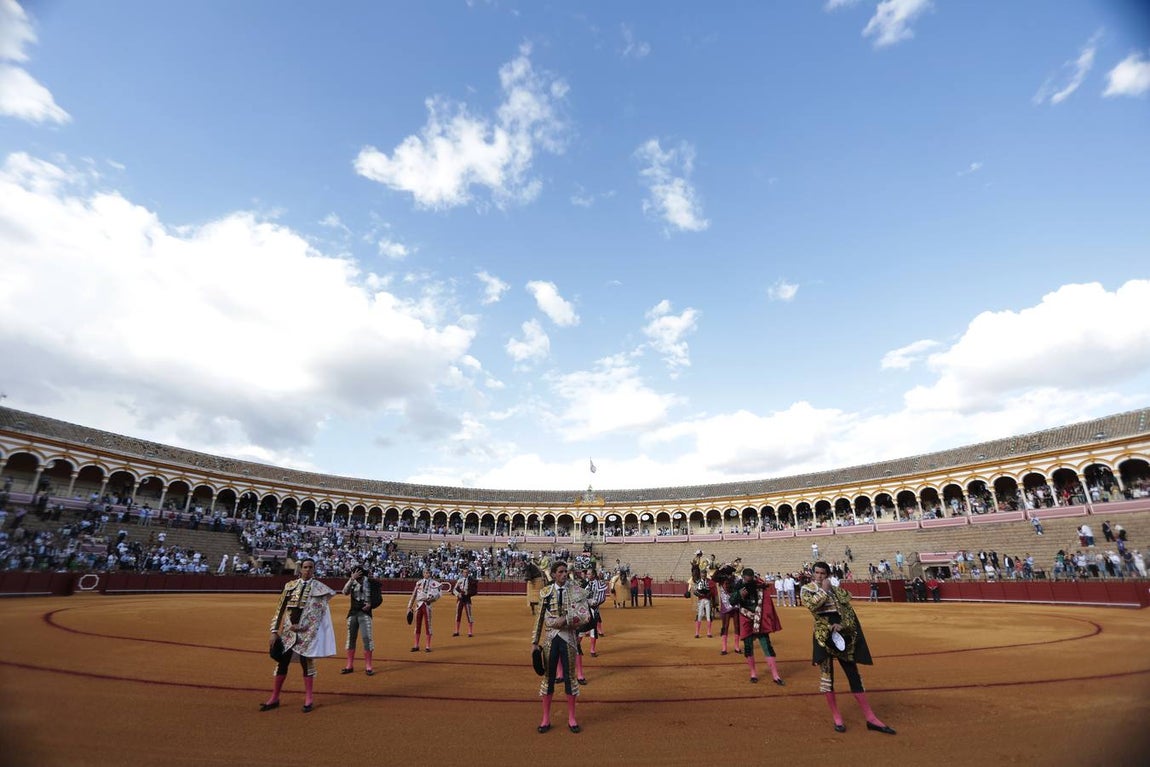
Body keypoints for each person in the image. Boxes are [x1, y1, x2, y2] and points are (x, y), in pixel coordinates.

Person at [800, 561, 895, 735]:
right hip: (823, 636)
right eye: (817, 573)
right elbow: (811, 605)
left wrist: (843, 626)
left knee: (853, 674)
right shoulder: (807, 589)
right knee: (827, 677)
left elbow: (849, 613)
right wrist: (825, 590)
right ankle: (837, 717)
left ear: (827, 574)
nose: (819, 576)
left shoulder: (837, 592)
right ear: (813, 574)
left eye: (823, 573)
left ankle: (870, 718)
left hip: (841, 635)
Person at [260, 558, 337, 713]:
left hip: (307, 633)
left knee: (306, 663)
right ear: (300, 569)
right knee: (282, 662)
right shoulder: (290, 586)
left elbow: (319, 614)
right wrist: (274, 631)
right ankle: (274, 698)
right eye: (305, 567)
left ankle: (309, 698)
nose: (307, 570)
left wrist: (304, 627)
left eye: (310, 567)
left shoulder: (320, 589)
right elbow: (280, 609)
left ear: (314, 569)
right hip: (288, 631)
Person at [531, 561, 591, 734]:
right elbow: (539, 619)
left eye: (566, 571)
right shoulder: (546, 592)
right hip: (551, 639)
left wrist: (565, 619)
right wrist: (534, 643)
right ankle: (545, 718)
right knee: (548, 678)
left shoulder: (576, 590)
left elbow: (585, 616)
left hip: (569, 638)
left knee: (570, 678)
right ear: (554, 574)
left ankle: (572, 718)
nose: (565, 574)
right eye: (561, 572)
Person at [732, 567, 784, 685]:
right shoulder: (739, 586)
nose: (749, 581)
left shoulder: (758, 585)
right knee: (748, 646)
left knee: (766, 644)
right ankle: (753, 673)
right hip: (746, 617)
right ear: (743, 578)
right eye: (747, 580)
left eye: (751, 579)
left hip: (758, 617)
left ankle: (775, 675)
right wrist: (739, 595)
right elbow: (732, 601)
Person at [341, 564, 382, 675]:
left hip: (365, 614)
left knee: (366, 638)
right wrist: (351, 579)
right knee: (350, 639)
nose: (356, 576)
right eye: (354, 574)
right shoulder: (353, 582)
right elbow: (344, 592)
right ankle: (349, 666)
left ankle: (368, 666)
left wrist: (371, 605)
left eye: (358, 574)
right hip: (353, 613)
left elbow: (379, 599)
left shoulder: (371, 583)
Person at [407, 567, 441, 653]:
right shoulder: (418, 583)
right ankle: (416, 645)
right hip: (418, 605)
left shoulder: (434, 583)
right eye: (426, 573)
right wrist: (409, 606)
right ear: (423, 574)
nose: (427, 574)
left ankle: (427, 646)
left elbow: (439, 594)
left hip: (427, 605)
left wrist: (432, 600)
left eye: (429, 573)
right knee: (417, 625)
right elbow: (414, 595)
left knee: (428, 625)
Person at [453, 564, 478, 637]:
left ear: (468, 573)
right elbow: (454, 590)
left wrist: (468, 593)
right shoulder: (459, 580)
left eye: (467, 572)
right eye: (464, 572)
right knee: (458, 615)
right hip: (460, 599)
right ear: (462, 573)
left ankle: (470, 632)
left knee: (469, 615)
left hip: (467, 599)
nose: (465, 573)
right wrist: (458, 594)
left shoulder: (471, 581)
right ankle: (456, 631)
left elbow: (474, 591)